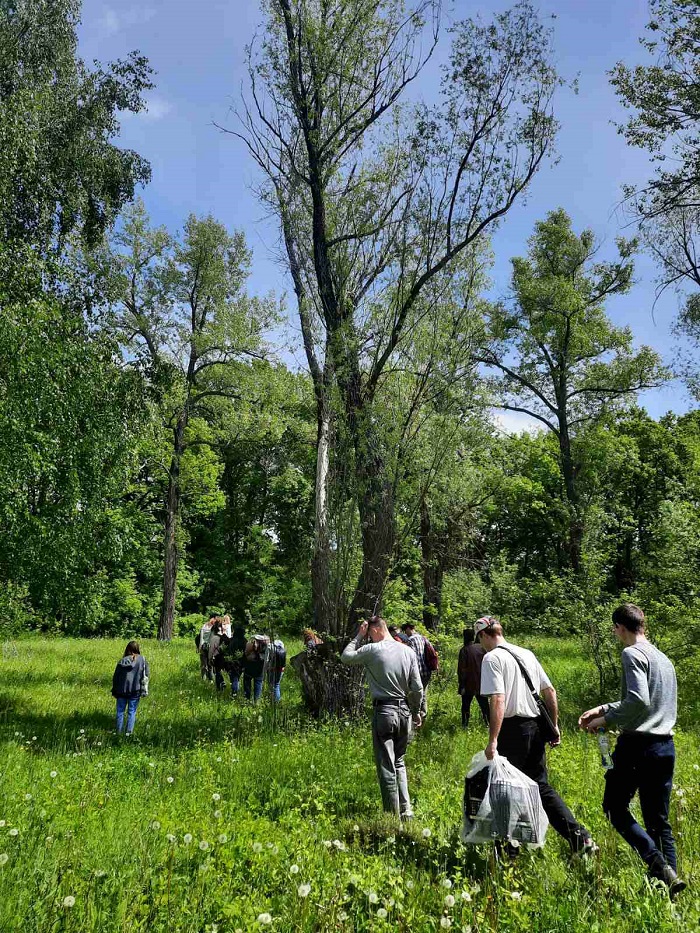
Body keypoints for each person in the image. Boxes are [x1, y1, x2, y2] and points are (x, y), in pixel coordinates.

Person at [578, 604, 685, 895]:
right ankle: (667, 889)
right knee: (657, 821)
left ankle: (655, 862)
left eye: (614, 630)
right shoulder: (663, 659)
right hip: (665, 746)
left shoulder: (631, 653)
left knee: (614, 808)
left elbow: (637, 701)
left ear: (619, 628)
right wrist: (602, 708)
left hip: (638, 746)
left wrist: (605, 719)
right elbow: (647, 701)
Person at [476, 615, 597, 857]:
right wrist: (554, 725)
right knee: (540, 786)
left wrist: (493, 740)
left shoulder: (492, 658)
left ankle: (508, 853)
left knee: (504, 790)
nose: (481, 645)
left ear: (484, 635)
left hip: (511, 731)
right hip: (534, 728)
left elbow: (498, 699)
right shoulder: (526, 654)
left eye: (480, 640)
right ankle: (580, 839)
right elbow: (549, 691)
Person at [341, 615, 423, 819]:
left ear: (376, 630)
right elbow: (418, 688)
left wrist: (358, 636)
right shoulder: (408, 651)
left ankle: (391, 816)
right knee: (400, 762)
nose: (369, 638)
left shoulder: (372, 650)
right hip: (404, 711)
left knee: (386, 764)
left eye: (369, 634)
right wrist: (416, 712)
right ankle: (407, 810)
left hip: (384, 711)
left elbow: (346, 656)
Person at [112, 640, 149, 736]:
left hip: (121, 690)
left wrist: (114, 690)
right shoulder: (142, 660)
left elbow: (116, 677)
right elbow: (146, 675)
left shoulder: (122, 661)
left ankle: (119, 732)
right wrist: (143, 689)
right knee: (131, 712)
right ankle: (129, 733)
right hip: (135, 690)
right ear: (137, 648)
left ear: (127, 649)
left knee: (120, 711)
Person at [458, 628, 489, 728]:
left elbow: (462, 670)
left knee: (466, 706)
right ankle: (488, 723)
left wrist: (462, 686)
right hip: (482, 683)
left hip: (468, 685)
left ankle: (465, 725)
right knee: (485, 706)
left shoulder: (464, 650)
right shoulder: (482, 648)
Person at [401, 622, 434, 719]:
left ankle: (415, 717)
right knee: (423, 695)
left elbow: (410, 658)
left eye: (405, 631)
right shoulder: (423, 638)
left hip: (417, 673)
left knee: (414, 696)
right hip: (426, 671)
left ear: (408, 629)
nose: (405, 633)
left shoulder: (410, 640)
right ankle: (423, 716)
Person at [243, 635, 269, 702]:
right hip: (260, 669)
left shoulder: (249, 645)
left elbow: (245, 654)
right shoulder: (266, 647)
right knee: (258, 684)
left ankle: (247, 699)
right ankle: (256, 701)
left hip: (249, 667)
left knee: (247, 684)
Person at [198, 617, 216, 681]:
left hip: (203, 647)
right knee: (210, 665)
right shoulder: (214, 630)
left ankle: (204, 679)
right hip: (211, 649)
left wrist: (199, 648)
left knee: (203, 664)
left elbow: (201, 639)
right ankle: (211, 680)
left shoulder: (203, 627)